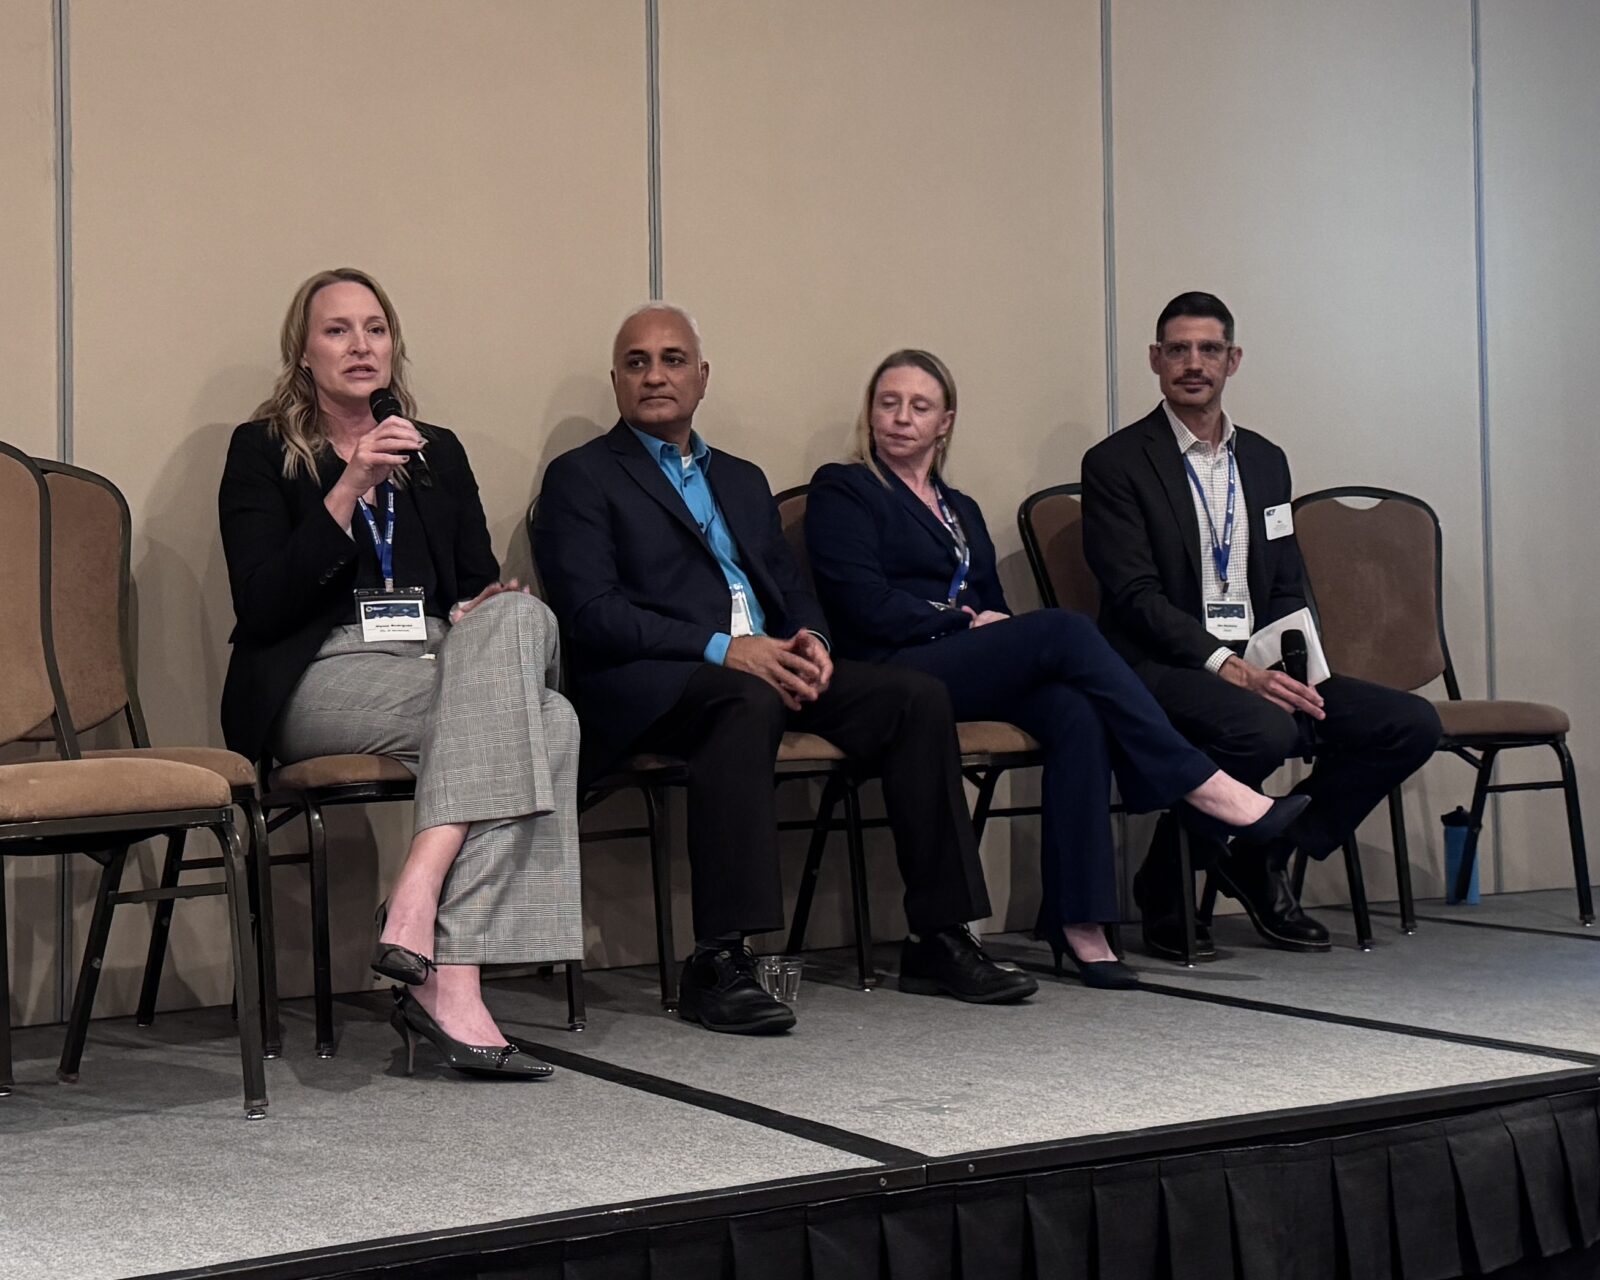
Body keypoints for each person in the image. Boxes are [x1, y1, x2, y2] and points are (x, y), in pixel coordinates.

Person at [534, 303, 1037, 1034]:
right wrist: (723, 648)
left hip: (765, 666)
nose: (654, 375)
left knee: (915, 698)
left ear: (702, 378)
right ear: (616, 380)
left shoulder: (740, 479)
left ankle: (939, 935)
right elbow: (593, 614)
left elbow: (790, 587)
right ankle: (721, 960)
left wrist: (812, 641)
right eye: (636, 362)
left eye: (672, 360)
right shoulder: (582, 477)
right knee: (744, 700)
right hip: (656, 680)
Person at [806, 350, 1308, 987]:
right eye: (888, 403)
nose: (901, 418)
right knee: (1066, 629)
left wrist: (984, 626)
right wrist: (963, 622)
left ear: (945, 423)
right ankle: (1199, 780)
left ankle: (1080, 921)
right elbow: (861, 604)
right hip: (889, 668)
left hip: (957, 667)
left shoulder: (959, 509)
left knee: (1076, 709)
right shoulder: (845, 488)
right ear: (870, 413)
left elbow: (993, 606)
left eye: (920, 406)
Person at [219, 267, 581, 1078]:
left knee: (528, 628)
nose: (360, 345)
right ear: (303, 354)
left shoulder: (435, 452)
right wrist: (350, 486)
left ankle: (429, 932)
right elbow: (264, 603)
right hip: (322, 675)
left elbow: (473, 583)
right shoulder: (262, 450)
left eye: (375, 328)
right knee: (548, 722)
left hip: (434, 663)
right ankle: (443, 954)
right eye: (338, 330)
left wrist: (485, 609)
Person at [1081, 291, 1441, 958]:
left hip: (1258, 663)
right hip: (1164, 664)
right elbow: (1134, 597)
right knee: (1264, 729)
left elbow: (1280, 583)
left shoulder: (1267, 460)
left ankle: (1259, 853)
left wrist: (1291, 670)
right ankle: (1166, 886)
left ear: (1233, 360)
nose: (1195, 363)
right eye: (1179, 350)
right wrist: (1230, 668)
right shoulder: (1117, 464)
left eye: (1209, 349)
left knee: (1408, 725)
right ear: (1155, 360)